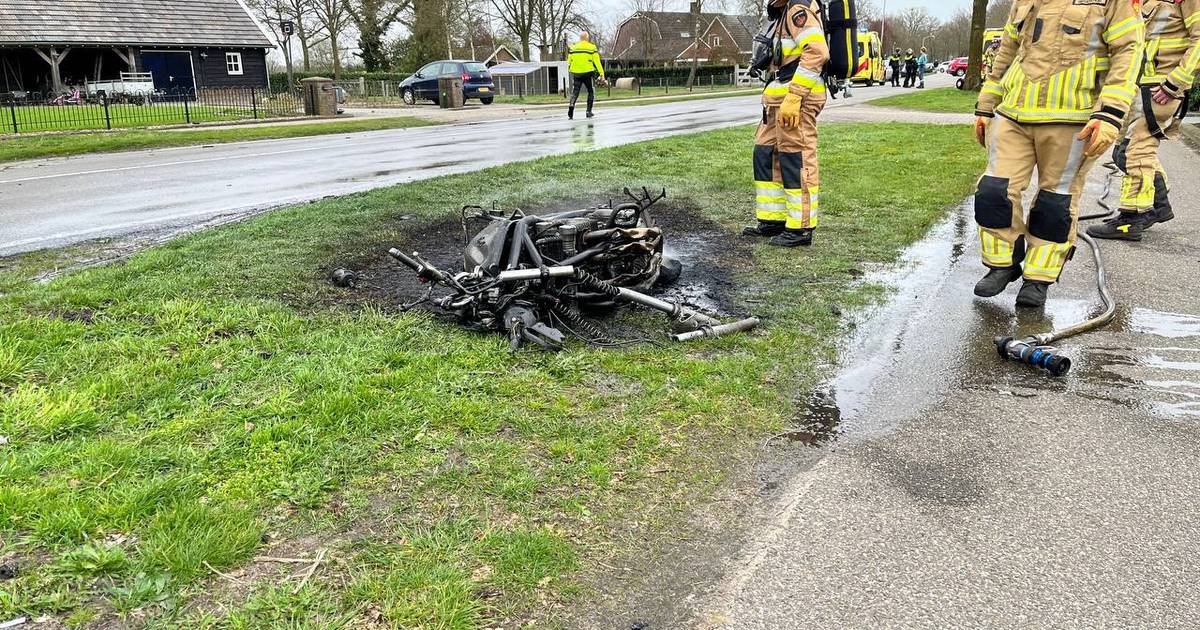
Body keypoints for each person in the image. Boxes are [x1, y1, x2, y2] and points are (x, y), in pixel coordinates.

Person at [972, 0, 1143, 308]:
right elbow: (1008, 49)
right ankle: (1002, 264)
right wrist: (986, 104)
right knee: (992, 191)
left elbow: (1128, 52)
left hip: (1075, 119)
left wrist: (1109, 114)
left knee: (1056, 202)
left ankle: (1038, 279)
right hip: (1013, 112)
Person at [1088, 0, 1200, 242]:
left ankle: (1132, 218)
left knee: (1134, 152)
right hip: (1139, 86)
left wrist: (1174, 83)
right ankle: (1158, 205)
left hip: (1163, 87)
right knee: (1121, 152)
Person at [745, 0, 829, 248]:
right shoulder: (782, 13)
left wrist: (795, 96)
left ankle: (800, 228)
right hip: (778, 98)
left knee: (796, 159)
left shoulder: (797, 9)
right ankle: (773, 221)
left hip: (797, 100)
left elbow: (817, 51)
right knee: (765, 154)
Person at [567, 31, 605, 120]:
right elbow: (597, 62)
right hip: (588, 72)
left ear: (580, 38)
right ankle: (588, 111)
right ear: (587, 38)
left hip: (576, 72)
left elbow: (569, 61)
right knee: (590, 91)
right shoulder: (592, 47)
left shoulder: (573, 48)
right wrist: (602, 74)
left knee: (575, 91)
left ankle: (571, 104)